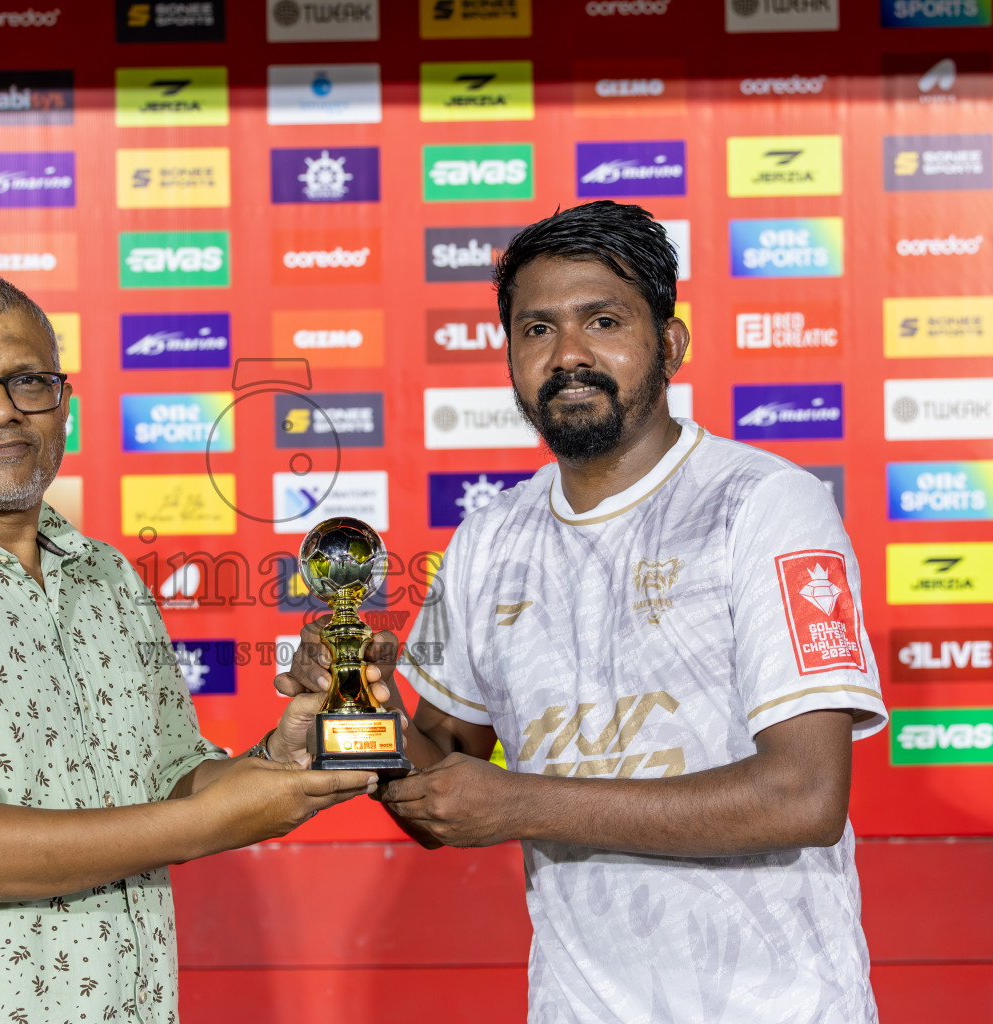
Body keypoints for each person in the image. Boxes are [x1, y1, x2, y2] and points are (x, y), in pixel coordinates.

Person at [276, 201, 885, 1023]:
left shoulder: (764, 504)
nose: (569, 356)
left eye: (602, 320)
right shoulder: (489, 539)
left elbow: (805, 797)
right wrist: (359, 703)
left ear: (668, 344)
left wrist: (522, 803)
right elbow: (440, 790)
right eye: (536, 330)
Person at [0, 271, 371, 1024]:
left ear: (62, 406)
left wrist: (279, 756)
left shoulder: (105, 576)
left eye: (29, 381)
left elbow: (168, 781)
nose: (1, 411)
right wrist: (223, 821)